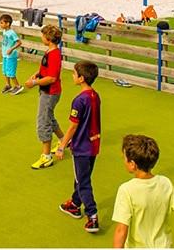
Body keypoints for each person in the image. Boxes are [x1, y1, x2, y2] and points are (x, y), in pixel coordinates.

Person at [112, 134, 174, 248]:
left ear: (132, 164)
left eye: (124, 157)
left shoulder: (126, 190)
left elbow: (121, 230)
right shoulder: (166, 183)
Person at [57, 60, 102, 234]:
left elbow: (73, 126)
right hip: (93, 144)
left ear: (81, 78)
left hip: (82, 147)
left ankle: (92, 215)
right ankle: (75, 204)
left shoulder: (78, 101)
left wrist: (62, 145)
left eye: (74, 74)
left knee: (83, 181)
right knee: (82, 175)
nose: (72, 76)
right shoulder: (95, 95)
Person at [24, 23, 65, 169]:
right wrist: (37, 74)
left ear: (48, 38)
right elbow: (46, 69)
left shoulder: (54, 54)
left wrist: (35, 82)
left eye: (43, 35)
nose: (42, 38)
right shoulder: (50, 51)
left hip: (50, 92)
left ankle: (46, 157)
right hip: (47, 91)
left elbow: (52, 77)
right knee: (49, 117)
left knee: (43, 122)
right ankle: (64, 140)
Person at [0, 14, 24, 95]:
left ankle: (18, 86)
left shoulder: (12, 33)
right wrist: (2, 52)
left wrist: (11, 49)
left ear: (8, 23)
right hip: (5, 55)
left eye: (2, 23)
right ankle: (8, 85)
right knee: (5, 71)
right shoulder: (4, 31)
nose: (0, 24)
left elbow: (19, 42)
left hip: (11, 56)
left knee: (10, 73)